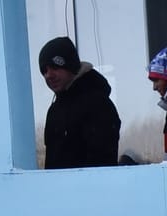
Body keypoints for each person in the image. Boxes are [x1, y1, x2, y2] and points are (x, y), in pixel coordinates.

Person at [38, 36, 120, 169]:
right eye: (44, 71)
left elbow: (102, 164)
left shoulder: (98, 105)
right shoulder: (54, 110)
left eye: (54, 67)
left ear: (71, 66)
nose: (49, 75)